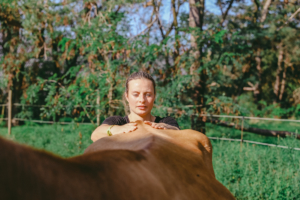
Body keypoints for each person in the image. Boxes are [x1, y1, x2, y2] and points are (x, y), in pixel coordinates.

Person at [91, 71, 180, 142]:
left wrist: (167, 127)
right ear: (127, 96)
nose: (142, 100)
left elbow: (178, 133)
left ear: (154, 96)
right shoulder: (117, 122)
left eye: (148, 94)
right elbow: (95, 135)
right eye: (135, 94)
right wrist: (116, 129)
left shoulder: (166, 121)